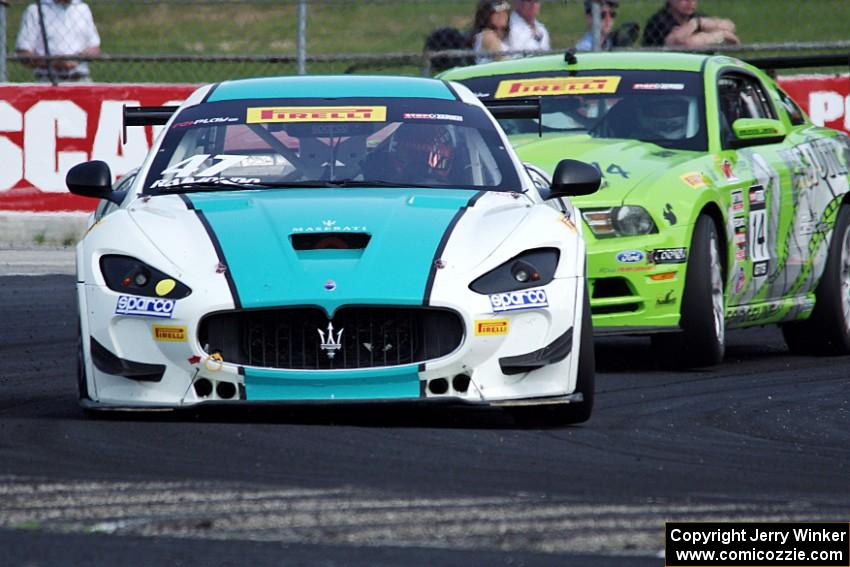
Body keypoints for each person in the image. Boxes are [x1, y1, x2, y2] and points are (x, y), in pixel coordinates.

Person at [15, 0, 101, 82]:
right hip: (48, 80)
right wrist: (52, 62)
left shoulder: (82, 8)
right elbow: (23, 53)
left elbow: (95, 48)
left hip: (80, 78)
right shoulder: (36, 9)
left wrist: (77, 58)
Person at [642, 0, 738, 48]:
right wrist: (722, 35)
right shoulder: (659, 21)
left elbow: (730, 26)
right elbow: (684, 43)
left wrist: (699, 23)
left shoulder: (697, 17)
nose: (691, 3)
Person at [472, 0, 512, 64]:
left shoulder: (507, 35)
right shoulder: (487, 36)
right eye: (498, 8)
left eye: (505, 6)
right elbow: (503, 60)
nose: (501, 14)